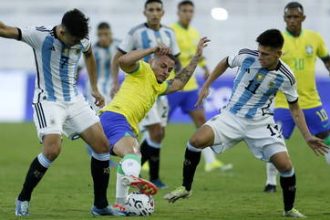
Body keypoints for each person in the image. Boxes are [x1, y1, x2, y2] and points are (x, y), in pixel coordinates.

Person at [164, 29, 328, 218]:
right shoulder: (246, 56)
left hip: (261, 123)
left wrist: (307, 136)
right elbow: (225, 62)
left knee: (285, 166)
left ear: (278, 54)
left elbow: (295, 108)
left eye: (265, 54)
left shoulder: (286, 76)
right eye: (259, 51)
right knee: (195, 141)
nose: (260, 57)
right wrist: (207, 85)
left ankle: (289, 209)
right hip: (231, 117)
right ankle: (186, 187)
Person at [0, 9, 123, 217]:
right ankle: (23, 197)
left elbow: (89, 53)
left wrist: (93, 87)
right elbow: (4, 29)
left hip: (74, 100)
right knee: (52, 150)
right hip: (48, 101)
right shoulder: (39, 36)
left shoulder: (80, 40)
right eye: (73, 39)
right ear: (63, 31)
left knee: (102, 145)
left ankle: (100, 205)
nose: (77, 43)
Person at [100, 37, 209, 210]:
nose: (166, 72)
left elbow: (179, 83)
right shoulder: (141, 69)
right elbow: (122, 60)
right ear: (152, 62)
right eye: (163, 66)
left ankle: (120, 204)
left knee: (132, 156)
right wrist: (152, 49)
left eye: (170, 69)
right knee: (133, 155)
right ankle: (132, 175)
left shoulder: (158, 87)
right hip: (115, 118)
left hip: (120, 125)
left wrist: (196, 58)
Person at [111, 0, 181, 189]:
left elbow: (177, 60)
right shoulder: (135, 32)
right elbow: (119, 57)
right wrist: (114, 82)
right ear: (145, 12)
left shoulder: (169, 33)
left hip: (160, 88)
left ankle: (142, 170)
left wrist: (172, 80)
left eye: (158, 10)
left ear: (163, 12)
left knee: (159, 134)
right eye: (151, 10)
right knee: (155, 130)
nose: (154, 13)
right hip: (141, 87)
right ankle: (132, 167)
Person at [263, 2, 330, 193]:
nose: (292, 20)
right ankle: (270, 182)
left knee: (327, 138)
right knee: (276, 141)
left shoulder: (314, 38)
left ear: (303, 18)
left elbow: (326, 60)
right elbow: (265, 65)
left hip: (312, 101)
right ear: (284, 19)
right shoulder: (278, 41)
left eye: (296, 17)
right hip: (284, 103)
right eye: (289, 17)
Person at [169, 0, 232, 172]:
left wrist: (205, 68)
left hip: (191, 87)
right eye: (185, 11)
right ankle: (145, 159)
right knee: (157, 127)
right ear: (178, 12)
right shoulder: (171, 31)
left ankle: (210, 161)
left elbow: (198, 55)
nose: (188, 14)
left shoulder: (195, 32)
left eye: (190, 11)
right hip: (173, 86)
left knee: (201, 121)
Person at [84, 22, 120, 109]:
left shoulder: (119, 46)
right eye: (100, 35)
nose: (103, 38)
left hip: (114, 82)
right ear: (97, 35)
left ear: (111, 34)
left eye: (106, 34)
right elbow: (80, 67)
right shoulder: (92, 50)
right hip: (97, 83)